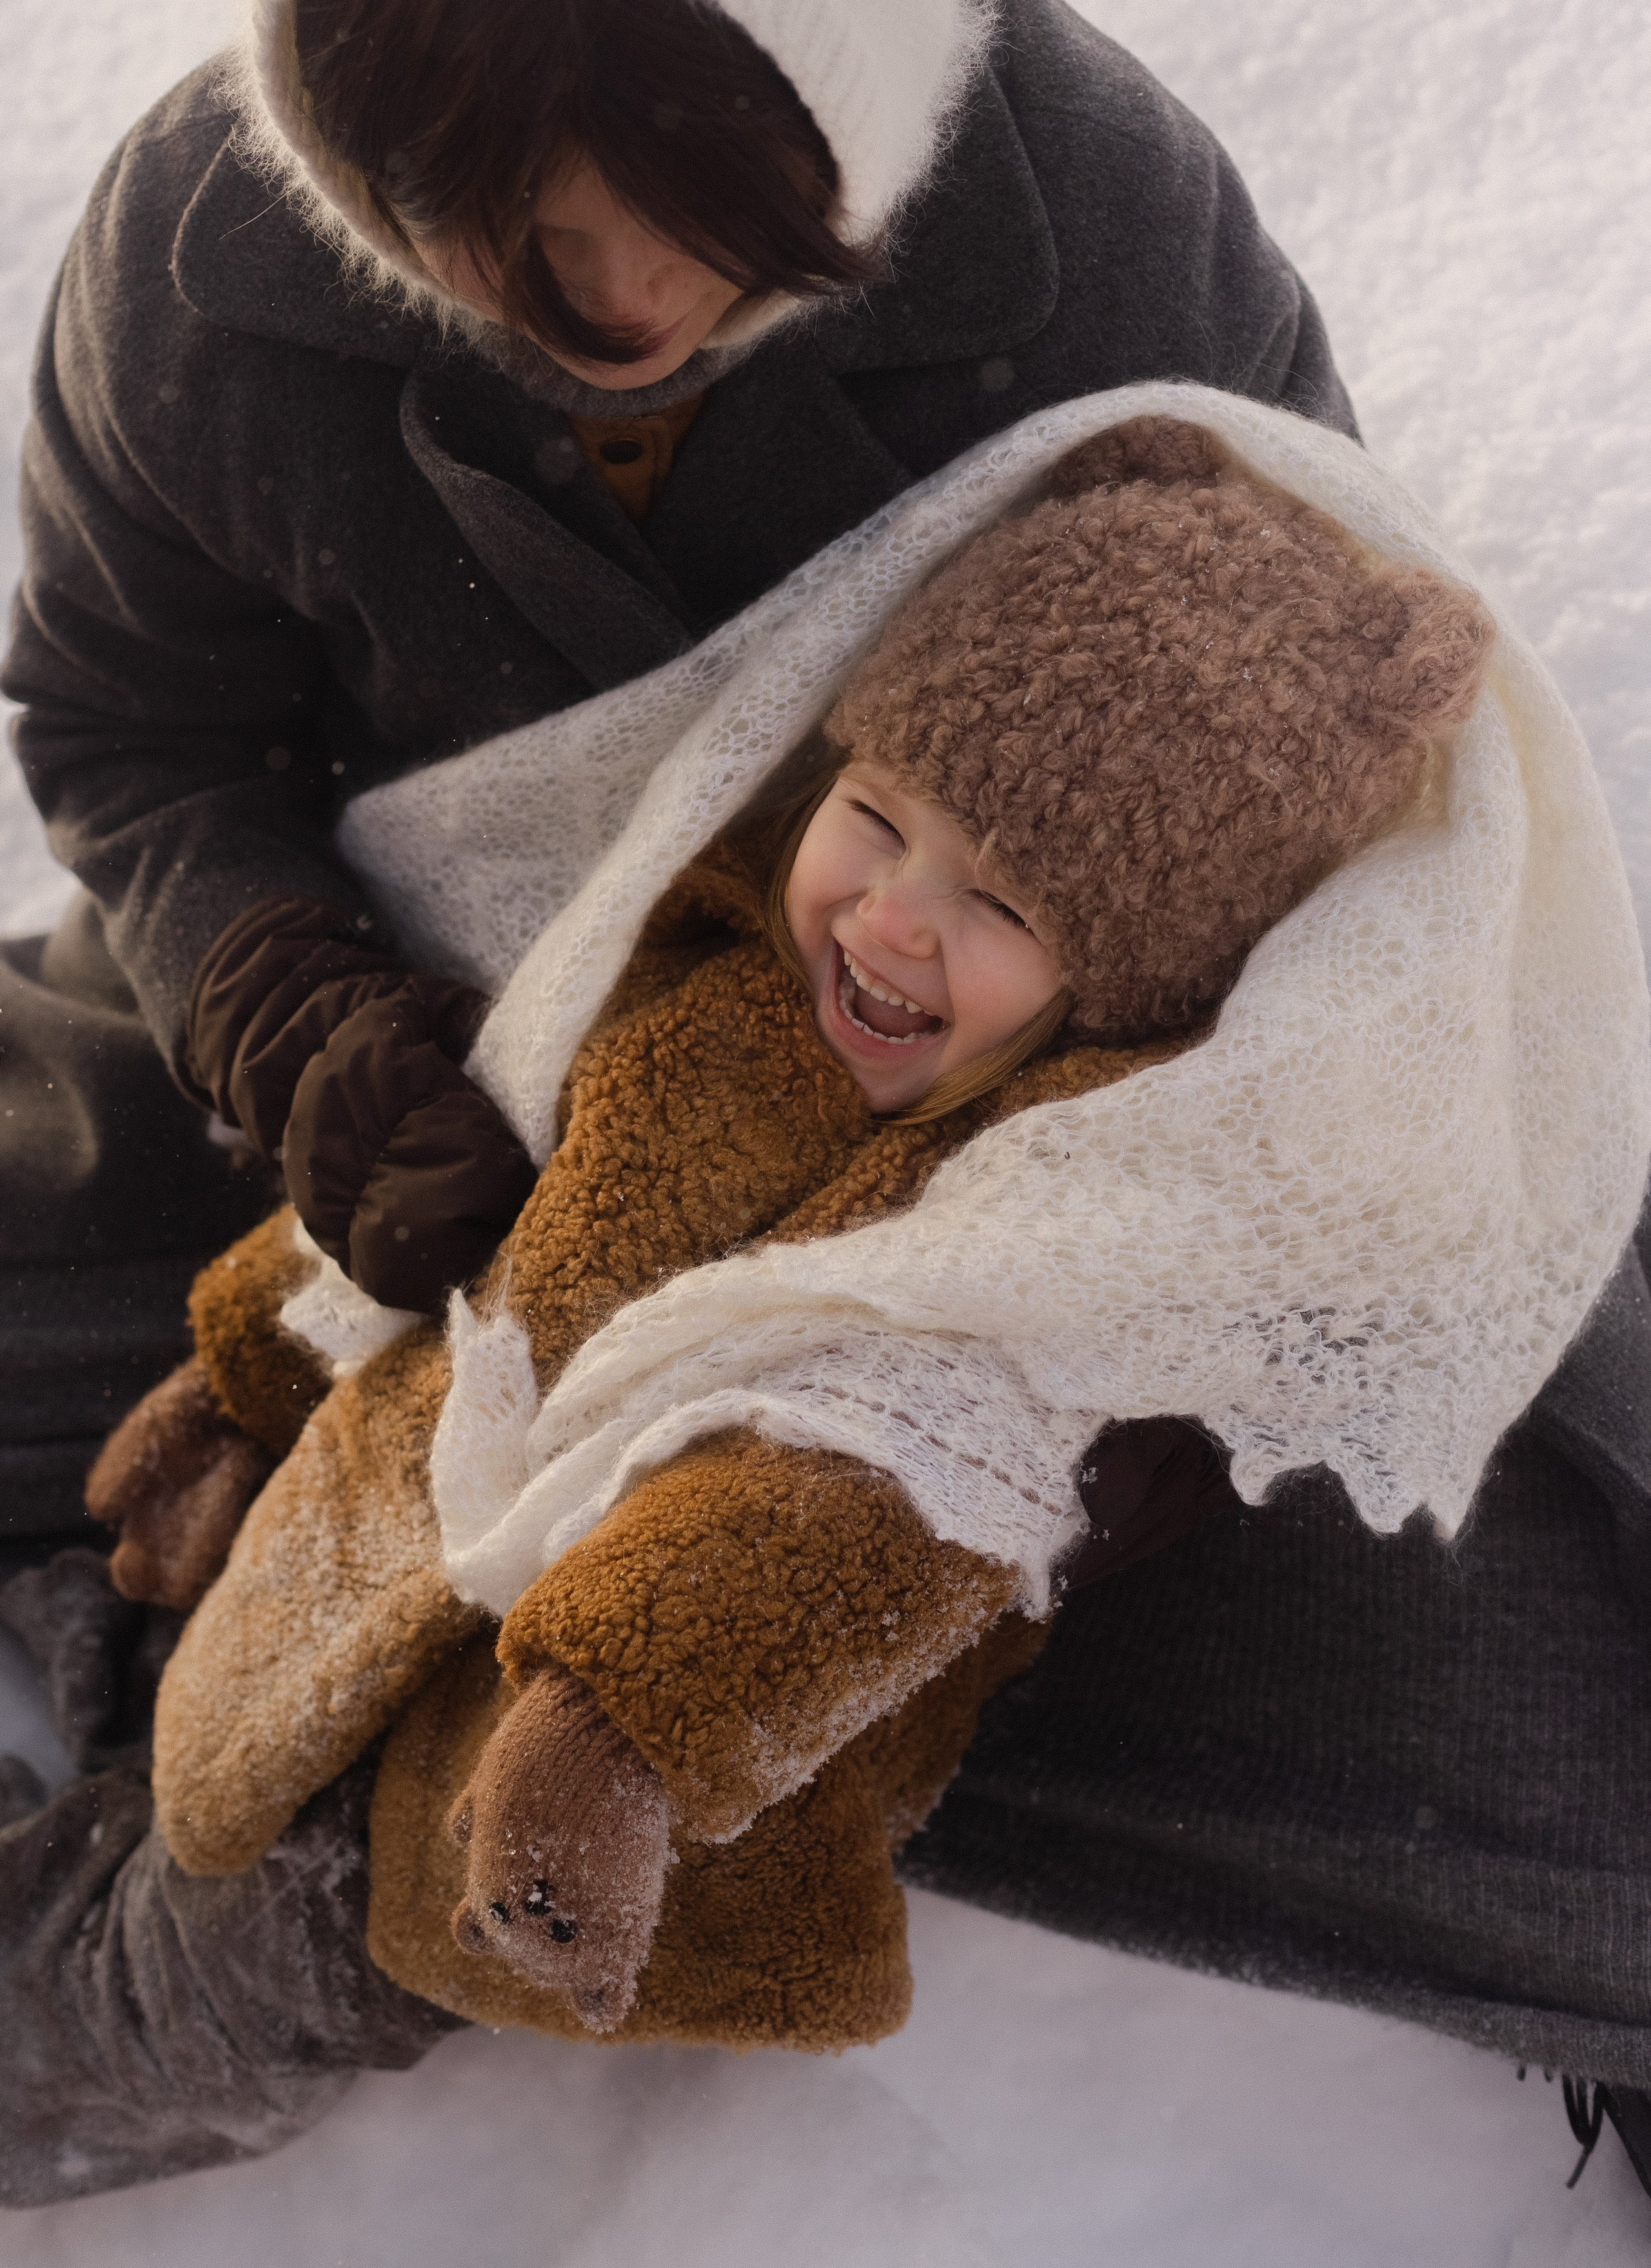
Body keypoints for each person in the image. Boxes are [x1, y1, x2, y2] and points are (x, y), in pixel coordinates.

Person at [4, 0, 1650, 2207]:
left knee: (1505, 1595)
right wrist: (291, 1016)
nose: (612, 298)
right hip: (418, 1036)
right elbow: (131, 725)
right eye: (495, 223)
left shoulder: (1096, 239)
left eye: (680, 196)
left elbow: (1288, 794)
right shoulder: (207, 257)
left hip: (978, 1108)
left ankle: (364, 1811)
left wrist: (1010, 1288)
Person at [1, 413, 1499, 2187]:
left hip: (499, 1790)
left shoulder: (1025, 1275)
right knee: (200, 1712)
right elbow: (463, 1214)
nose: (890, 917)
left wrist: (612, 1742)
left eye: (1000, 902)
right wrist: (248, 1375)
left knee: (169, 1987)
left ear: (1125, 990)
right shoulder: (705, 979)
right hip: (354, 1548)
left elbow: (836, 1534)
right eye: (876, 817)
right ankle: (102, 1684)